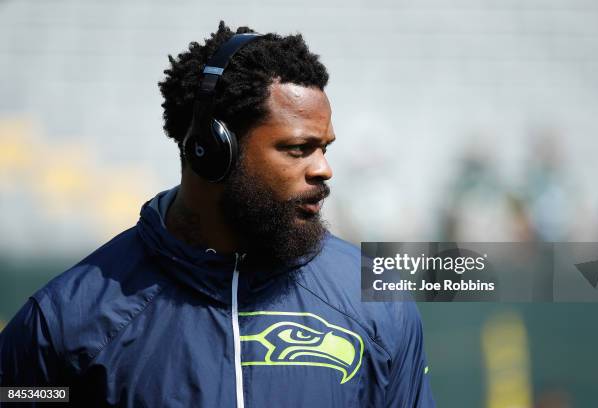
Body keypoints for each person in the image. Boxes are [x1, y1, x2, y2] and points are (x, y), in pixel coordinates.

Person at [0, 22, 435, 407]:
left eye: (324, 148)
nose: (323, 169)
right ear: (212, 151)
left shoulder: (380, 302)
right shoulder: (63, 320)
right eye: (298, 149)